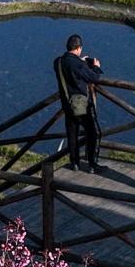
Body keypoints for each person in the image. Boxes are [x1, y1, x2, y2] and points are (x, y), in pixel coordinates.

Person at [53, 34, 104, 173]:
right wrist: (96, 67)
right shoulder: (78, 64)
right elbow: (94, 77)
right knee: (92, 133)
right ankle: (92, 164)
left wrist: (80, 61)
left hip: (66, 104)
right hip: (81, 105)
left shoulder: (57, 62)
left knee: (72, 133)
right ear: (78, 48)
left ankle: (74, 163)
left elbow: (70, 67)